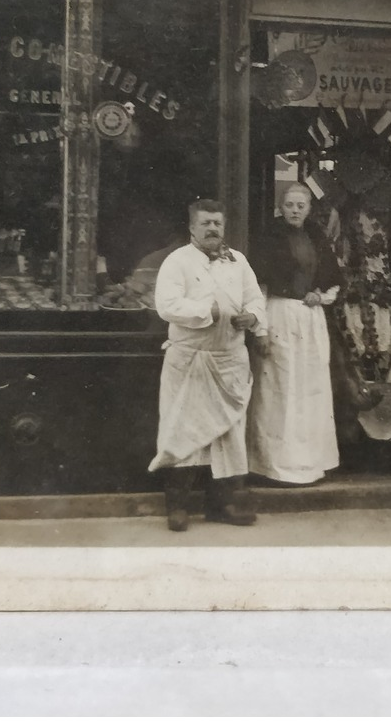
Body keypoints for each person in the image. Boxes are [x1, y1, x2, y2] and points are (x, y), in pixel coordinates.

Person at [147, 198, 268, 532]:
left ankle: (224, 505)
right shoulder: (177, 262)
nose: (213, 229)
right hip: (190, 361)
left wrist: (253, 316)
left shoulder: (238, 262)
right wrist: (207, 312)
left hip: (229, 360)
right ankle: (178, 506)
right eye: (206, 223)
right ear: (192, 228)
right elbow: (167, 306)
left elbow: (256, 298)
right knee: (183, 430)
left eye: (217, 223)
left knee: (228, 434)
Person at [246, 183, 342, 485]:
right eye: (290, 205)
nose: (295, 210)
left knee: (310, 389)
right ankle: (273, 465)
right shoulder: (268, 238)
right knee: (278, 388)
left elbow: (333, 282)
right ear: (280, 207)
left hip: (310, 320)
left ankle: (310, 463)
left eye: (301, 205)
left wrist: (320, 294)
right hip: (279, 316)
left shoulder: (317, 237)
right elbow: (257, 287)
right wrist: (260, 329)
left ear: (309, 208)